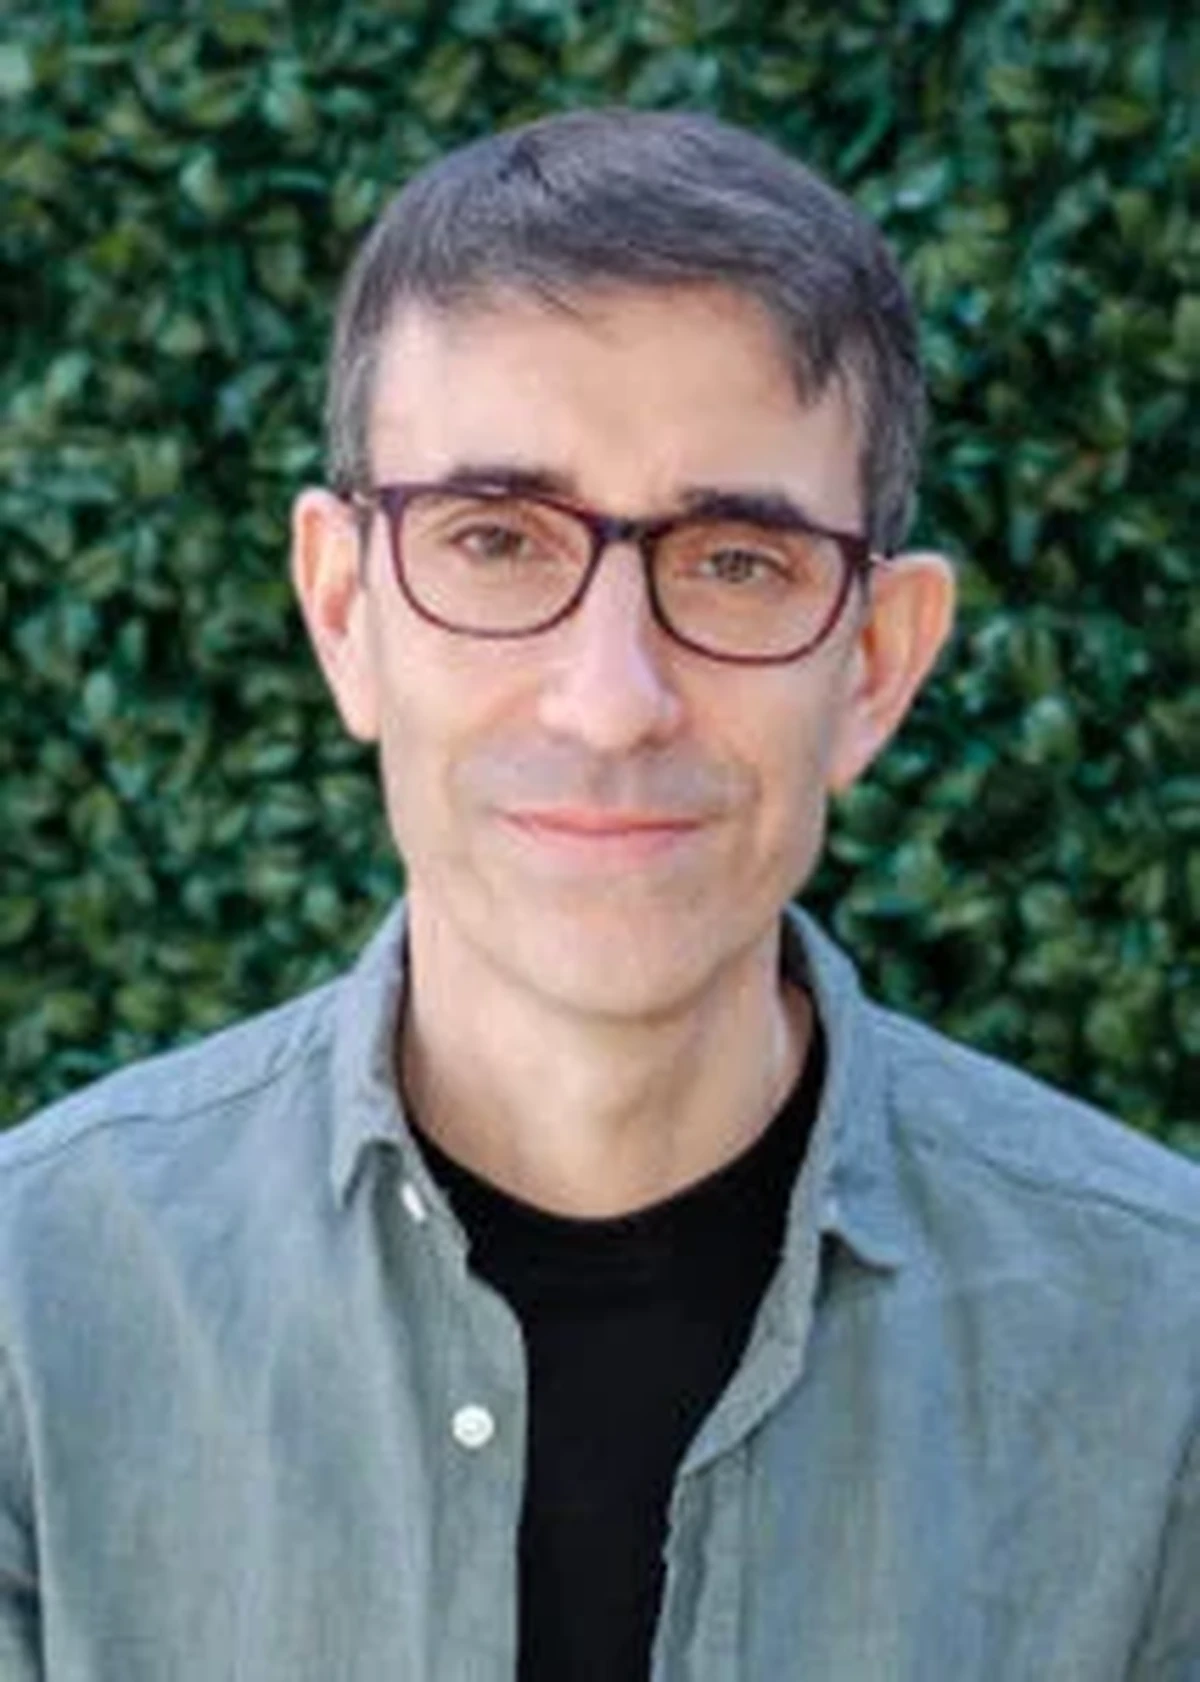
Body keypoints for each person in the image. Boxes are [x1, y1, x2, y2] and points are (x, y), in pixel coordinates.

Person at [0, 108, 1196, 1682]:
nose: (612, 698)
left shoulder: (1165, 1356)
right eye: (496, 540)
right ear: (345, 611)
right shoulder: (32, 1319)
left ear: (877, 664)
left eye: (737, 560)